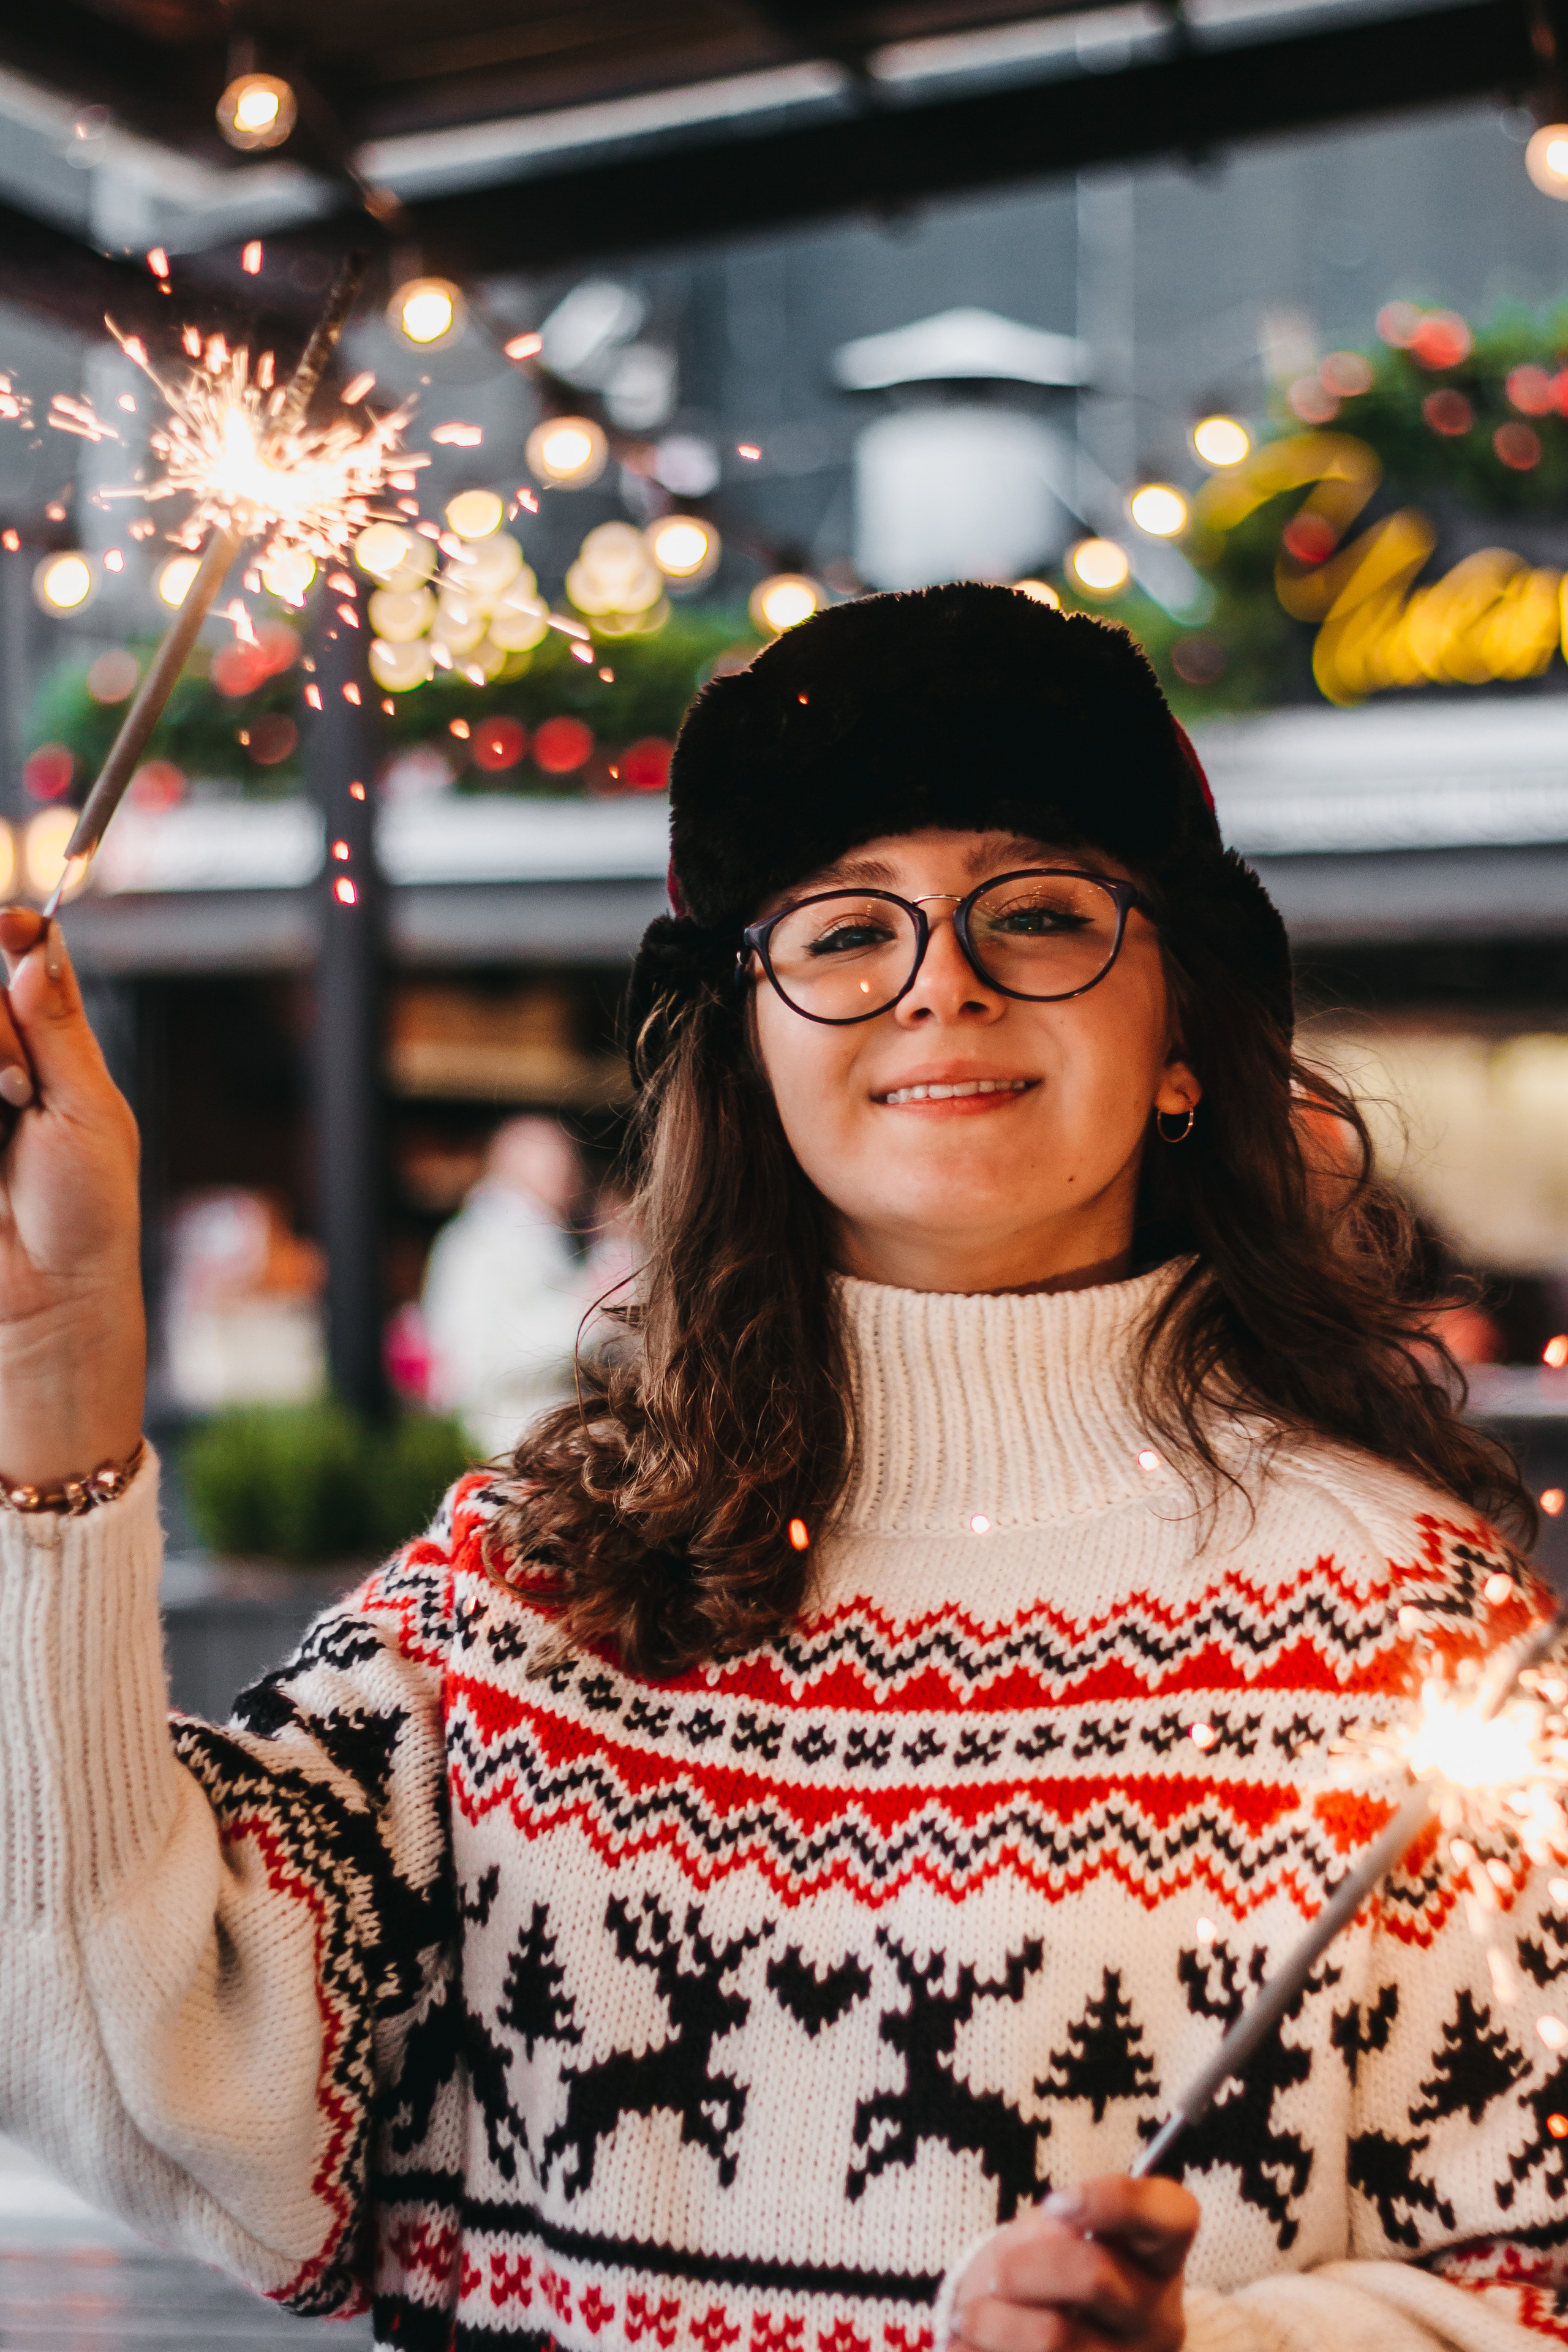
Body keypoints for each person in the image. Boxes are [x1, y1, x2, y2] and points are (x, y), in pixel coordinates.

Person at [0, 583, 1557, 2352]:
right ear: (750, 1038)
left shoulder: (1415, 1630)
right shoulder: (532, 1595)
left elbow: (1535, 2284)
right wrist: (52, 1370)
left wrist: (1217, 2349)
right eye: (839, 931)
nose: (942, 983)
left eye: (1040, 916)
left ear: (1185, 1028)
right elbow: (133, 2072)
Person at [421, 1114, 585, 1455]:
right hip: (513, 1436)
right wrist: (587, 1311)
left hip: (528, 1433)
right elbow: (481, 1356)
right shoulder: (496, 1239)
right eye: (557, 1161)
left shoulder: (516, 1234)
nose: (573, 1174)